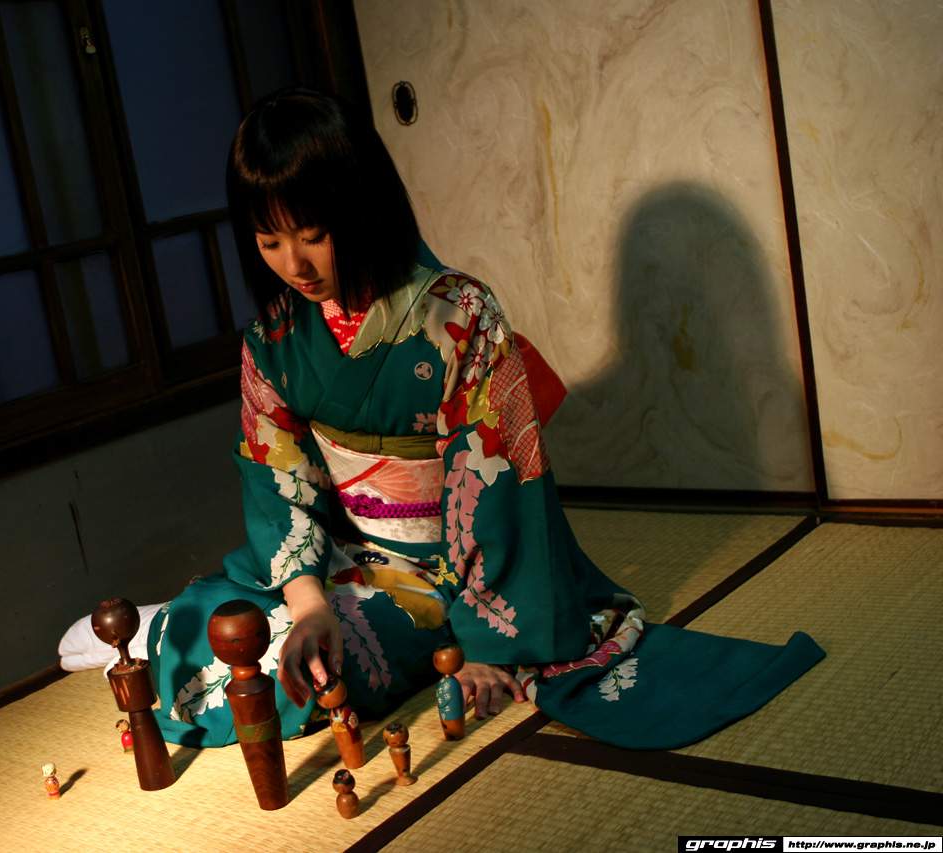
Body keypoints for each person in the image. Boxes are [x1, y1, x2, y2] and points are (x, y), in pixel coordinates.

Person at [60, 88, 823, 750]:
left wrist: (489, 645)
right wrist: (310, 600)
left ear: (358, 208)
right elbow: (276, 482)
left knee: (322, 673)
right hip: (341, 554)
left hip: (444, 572)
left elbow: (496, 486)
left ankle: (432, 627)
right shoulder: (274, 338)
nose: (295, 265)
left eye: (313, 234)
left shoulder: (459, 315)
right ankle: (179, 624)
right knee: (249, 641)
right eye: (270, 241)